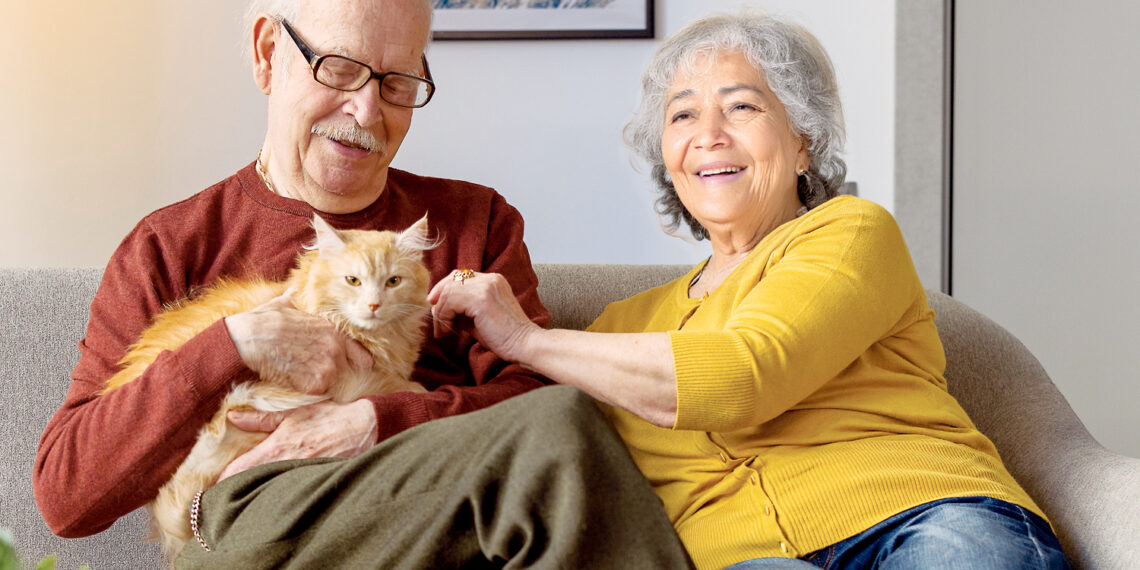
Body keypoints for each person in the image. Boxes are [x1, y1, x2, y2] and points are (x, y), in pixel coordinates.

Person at [33, 0, 693, 567]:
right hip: (254, 513)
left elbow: (536, 407)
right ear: (268, 54)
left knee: (563, 425)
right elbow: (67, 496)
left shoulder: (475, 222)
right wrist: (233, 344)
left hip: (448, 511)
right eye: (339, 68)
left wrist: (373, 421)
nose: (367, 109)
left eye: (398, 82)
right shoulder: (170, 244)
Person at [429, 11, 1071, 570]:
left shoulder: (850, 232)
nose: (709, 133)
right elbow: (518, 432)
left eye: (742, 106)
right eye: (684, 114)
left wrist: (525, 338)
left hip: (919, 513)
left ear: (803, 142)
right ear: (668, 157)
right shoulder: (621, 325)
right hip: (745, 557)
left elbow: (743, 375)